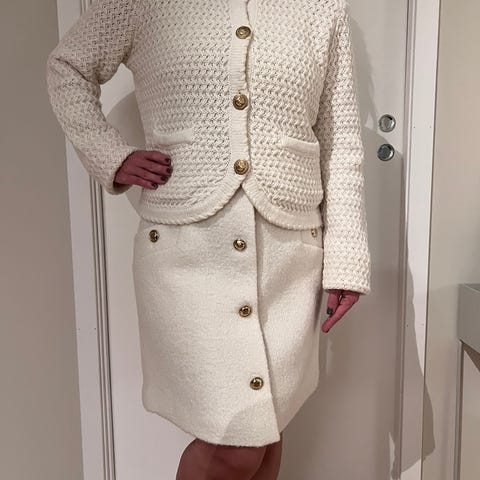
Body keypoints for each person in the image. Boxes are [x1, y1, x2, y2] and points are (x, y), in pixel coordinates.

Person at [46, 0, 371, 478]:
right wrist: (109, 155)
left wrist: (346, 256)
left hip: (288, 258)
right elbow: (68, 67)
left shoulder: (321, 10)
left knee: (266, 434)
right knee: (236, 446)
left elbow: (340, 140)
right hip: (186, 254)